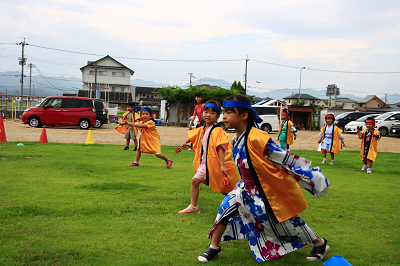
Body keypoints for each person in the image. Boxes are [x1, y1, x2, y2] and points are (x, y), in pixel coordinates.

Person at [197, 95, 331, 263]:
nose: (224, 116)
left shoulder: (258, 138)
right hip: (243, 187)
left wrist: (309, 176)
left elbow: (283, 159)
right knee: (224, 211)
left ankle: (319, 242)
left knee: (284, 222)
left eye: (229, 112)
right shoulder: (236, 138)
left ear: (244, 115)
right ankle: (214, 247)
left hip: (262, 190)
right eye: (223, 112)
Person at [178, 100, 239, 215]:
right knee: (195, 181)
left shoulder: (217, 130)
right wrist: (186, 142)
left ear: (217, 116)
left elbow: (220, 148)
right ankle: (194, 206)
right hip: (204, 164)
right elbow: (196, 136)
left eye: (212, 113)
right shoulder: (203, 129)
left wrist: (222, 165)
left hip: (214, 163)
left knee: (225, 189)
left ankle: (239, 205)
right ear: (202, 113)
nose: (208, 115)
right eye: (206, 111)